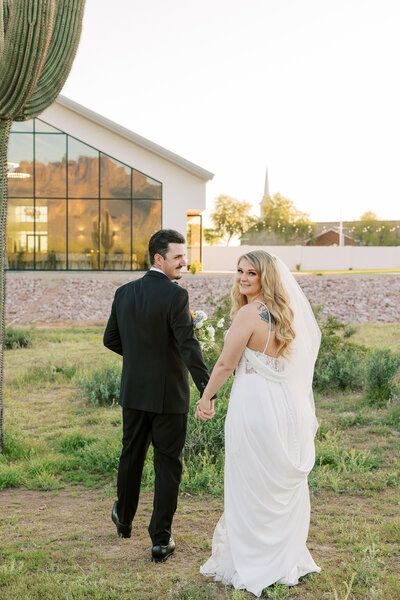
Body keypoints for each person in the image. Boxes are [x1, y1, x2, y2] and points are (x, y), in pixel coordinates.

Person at [197, 250, 321, 596]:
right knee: (274, 481)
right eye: (239, 271)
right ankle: (282, 557)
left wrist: (206, 398)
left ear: (266, 277)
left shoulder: (249, 314)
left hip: (254, 404)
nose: (243, 278)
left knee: (251, 479)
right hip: (283, 405)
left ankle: (254, 560)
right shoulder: (286, 313)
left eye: (251, 273)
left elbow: (225, 364)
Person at [103, 229, 214, 563]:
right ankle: (160, 540)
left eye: (185, 254)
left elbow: (111, 339)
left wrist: (140, 359)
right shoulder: (175, 296)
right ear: (159, 259)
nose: (185, 261)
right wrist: (207, 389)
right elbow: (188, 346)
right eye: (178, 256)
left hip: (134, 390)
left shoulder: (124, 293)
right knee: (167, 465)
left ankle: (124, 518)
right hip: (169, 396)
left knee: (131, 455)